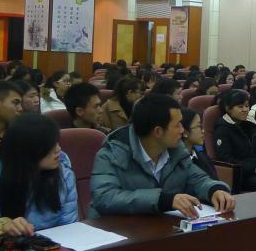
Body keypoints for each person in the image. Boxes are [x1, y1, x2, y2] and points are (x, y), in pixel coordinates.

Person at [90, 93, 234, 218]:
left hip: (159, 226)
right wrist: (162, 200)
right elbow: (104, 198)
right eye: (178, 125)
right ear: (158, 132)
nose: (182, 130)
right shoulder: (112, 153)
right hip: (115, 230)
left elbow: (197, 179)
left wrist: (214, 190)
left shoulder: (176, 150)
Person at [0, 113, 77, 238]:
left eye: (57, 142)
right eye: (49, 146)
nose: (58, 149)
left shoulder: (64, 176)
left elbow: (70, 229)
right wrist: (0, 230)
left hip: (54, 248)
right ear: (27, 150)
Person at [214, 90, 256, 191]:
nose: (245, 110)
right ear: (228, 108)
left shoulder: (252, 125)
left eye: (247, 106)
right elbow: (227, 160)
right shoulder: (222, 129)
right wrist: (255, 170)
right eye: (240, 107)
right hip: (244, 176)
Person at [180, 108, 218, 180]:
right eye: (199, 126)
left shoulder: (203, 157)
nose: (203, 131)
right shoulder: (176, 162)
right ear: (184, 132)